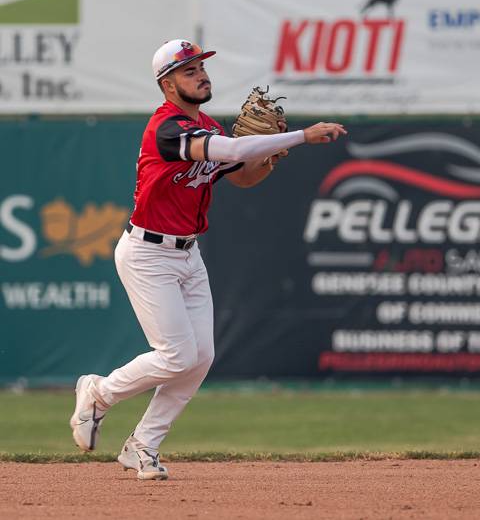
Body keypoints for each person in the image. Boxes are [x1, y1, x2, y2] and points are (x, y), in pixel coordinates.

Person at [69, 39, 346, 480]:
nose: (200, 74)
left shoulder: (208, 126)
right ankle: (98, 392)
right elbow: (234, 152)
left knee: (200, 359)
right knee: (177, 354)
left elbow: (241, 176)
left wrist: (270, 156)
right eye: (188, 69)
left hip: (187, 253)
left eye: (201, 66)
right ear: (168, 84)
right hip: (147, 254)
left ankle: (143, 446)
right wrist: (302, 136)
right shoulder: (168, 129)